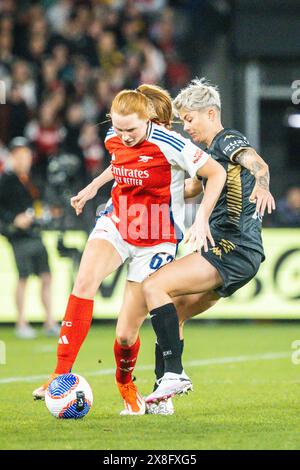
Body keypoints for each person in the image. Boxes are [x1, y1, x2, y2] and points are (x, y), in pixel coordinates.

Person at [32, 84, 226, 415]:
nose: (123, 136)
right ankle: (59, 374)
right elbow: (120, 163)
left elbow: (216, 172)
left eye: (131, 130)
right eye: (118, 128)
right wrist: (93, 187)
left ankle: (126, 384)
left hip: (156, 239)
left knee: (125, 336)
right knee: (84, 282)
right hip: (118, 221)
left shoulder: (171, 143)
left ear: (148, 119)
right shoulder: (114, 135)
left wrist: (202, 218)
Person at [141, 78, 276, 404]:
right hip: (243, 253)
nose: (186, 127)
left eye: (189, 119)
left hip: (233, 246)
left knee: (153, 287)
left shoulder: (226, 139)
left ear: (211, 113)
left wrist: (263, 184)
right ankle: (164, 395)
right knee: (173, 312)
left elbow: (257, 162)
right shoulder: (209, 157)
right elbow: (190, 189)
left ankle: (174, 374)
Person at [0, 137, 60, 339]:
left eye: (25, 155)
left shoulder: (33, 180)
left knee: (46, 277)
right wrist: (13, 220)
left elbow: (41, 204)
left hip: (35, 233)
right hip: (18, 237)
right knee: (23, 278)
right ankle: (21, 322)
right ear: (12, 157)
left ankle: (50, 321)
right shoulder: (5, 181)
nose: (23, 159)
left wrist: (43, 214)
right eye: (18, 155)